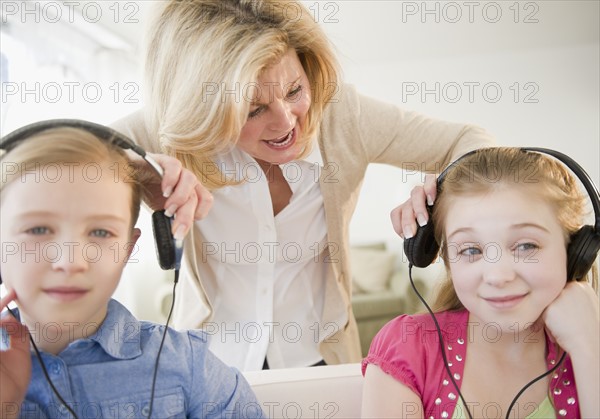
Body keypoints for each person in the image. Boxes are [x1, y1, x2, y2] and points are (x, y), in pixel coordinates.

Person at [112, 0, 496, 371]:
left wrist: (439, 196)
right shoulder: (168, 128)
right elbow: (59, 161)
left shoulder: (342, 115)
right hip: (209, 363)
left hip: (321, 358)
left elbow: (470, 140)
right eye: (253, 109)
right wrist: (133, 175)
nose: (286, 122)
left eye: (294, 91)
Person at [0, 126, 264, 418]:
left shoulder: (188, 366)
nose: (70, 261)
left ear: (127, 248)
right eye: (38, 229)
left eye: (101, 232)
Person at [361, 147, 600, 419]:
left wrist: (589, 349)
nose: (497, 276)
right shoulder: (409, 346)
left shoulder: (588, 347)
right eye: (471, 250)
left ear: (575, 253)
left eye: (525, 245)